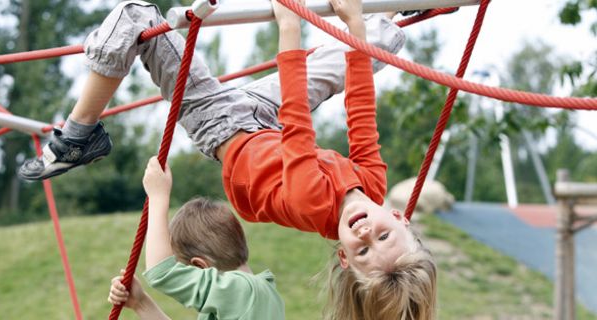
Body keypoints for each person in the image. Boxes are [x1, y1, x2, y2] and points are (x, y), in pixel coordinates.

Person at [22, 0, 435, 318]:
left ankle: (77, 137)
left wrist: (289, 27)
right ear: (399, 218)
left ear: (344, 255)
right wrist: (356, 26)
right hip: (264, 119)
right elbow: (361, 112)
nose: (365, 234)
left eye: (362, 253)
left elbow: (298, 121)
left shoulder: (314, 202)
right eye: (382, 237)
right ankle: (396, 10)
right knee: (370, 41)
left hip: (223, 126)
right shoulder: (374, 188)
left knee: (136, 16)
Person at [108, 157, 285, 319]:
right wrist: (141, 304)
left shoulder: (241, 290)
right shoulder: (250, 296)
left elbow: (161, 272)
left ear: (200, 266)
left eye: (185, 272)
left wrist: (158, 196)